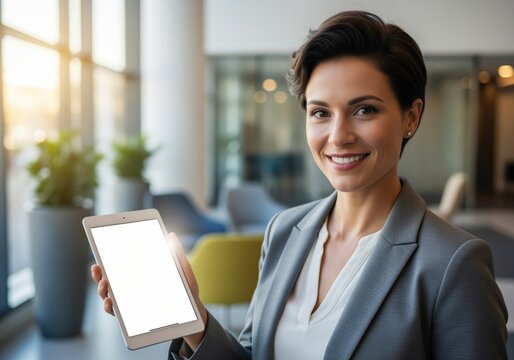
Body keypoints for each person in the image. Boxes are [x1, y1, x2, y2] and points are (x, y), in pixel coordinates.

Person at [92, 10, 508, 359]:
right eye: (320, 112)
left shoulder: (455, 264)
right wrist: (195, 321)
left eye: (364, 109)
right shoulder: (284, 232)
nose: (339, 135)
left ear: (411, 117)